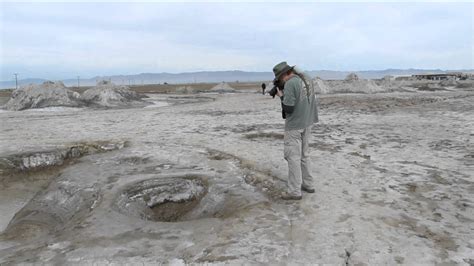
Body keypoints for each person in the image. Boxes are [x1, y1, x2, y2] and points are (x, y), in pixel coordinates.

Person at [272, 61, 319, 200]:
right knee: (305, 155)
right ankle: (308, 184)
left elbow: (289, 109)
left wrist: (281, 97)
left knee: (292, 157)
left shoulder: (291, 83)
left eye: (280, 78)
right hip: (308, 122)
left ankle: (294, 191)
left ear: (285, 74)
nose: (280, 81)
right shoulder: (307, 79)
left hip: (295, 126)